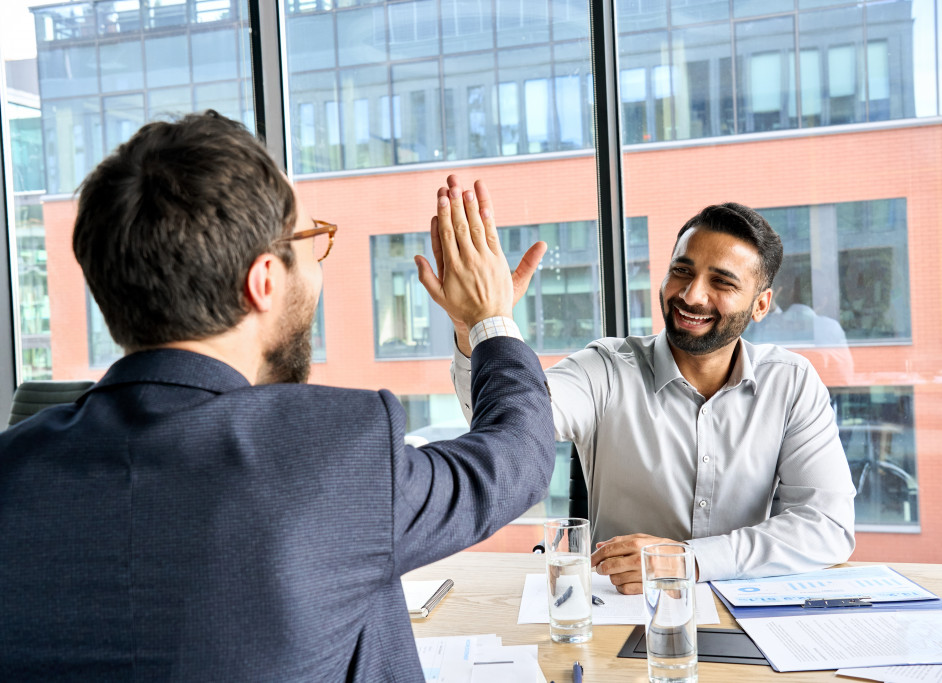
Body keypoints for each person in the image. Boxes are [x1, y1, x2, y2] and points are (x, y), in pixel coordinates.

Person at [0, 111, 555, 681]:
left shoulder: (10, 470)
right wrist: (489, 319)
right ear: (263, 280)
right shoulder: (337, 455)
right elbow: (519, 457)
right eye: (310, 239)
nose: (316, 265)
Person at [451, 202, 856, 589]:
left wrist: (689, 561)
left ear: (760, 305)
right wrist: (479, 327)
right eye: (682, 271)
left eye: (722, 282)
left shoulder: (791, 383)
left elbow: (827, 525)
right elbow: (508, 423)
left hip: (739, 618)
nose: (692, 295)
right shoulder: (606, 368)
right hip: (616, 615)